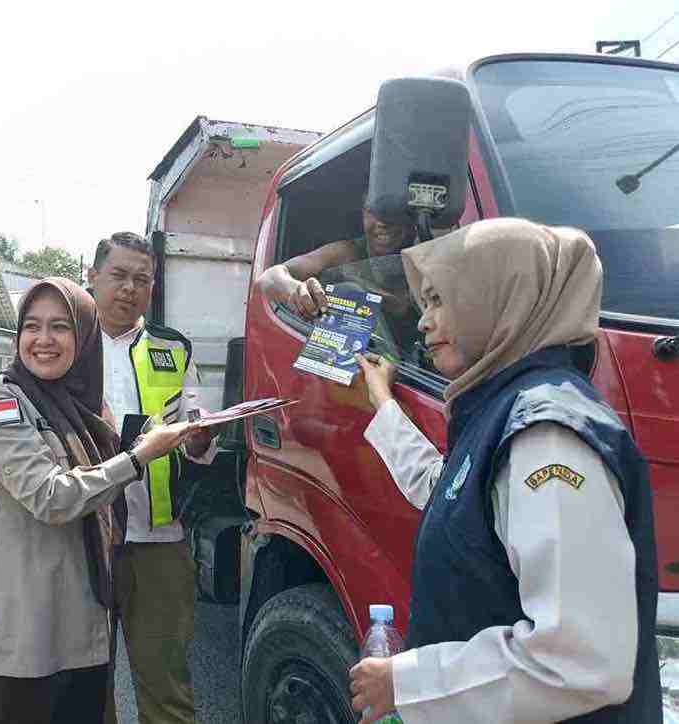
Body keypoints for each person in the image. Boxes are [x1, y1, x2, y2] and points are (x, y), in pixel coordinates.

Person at [348, 219, 661, 723]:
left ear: (501, 297)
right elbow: (447, 490)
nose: (424, 323)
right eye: (424, 304)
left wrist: (405, 682)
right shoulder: (502, 409)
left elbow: (579, 660)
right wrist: (383, 401)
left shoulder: (546, 434)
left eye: (440, 300)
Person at [0, 277, 192, 724]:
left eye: (60, 327)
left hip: (84, 621)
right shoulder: (1, 403)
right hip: (22, 630)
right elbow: (50, 496)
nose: (43, 340)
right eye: (32, 326)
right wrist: (138, 457)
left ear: (84, 337)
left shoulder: (85, 409)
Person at [88, 231, 220, 724]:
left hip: (158, 539)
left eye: (141, 279)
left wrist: (202, 439)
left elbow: (193, 424)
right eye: (118, 276)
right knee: (84, 683)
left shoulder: (172, 348)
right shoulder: (66, 345)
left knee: (165, 685)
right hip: (83, 536)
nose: (129, 288)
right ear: (92, 276)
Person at [256, 194, 416, 318]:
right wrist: (297, 291)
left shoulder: (421, 256)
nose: (382, 222)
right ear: (363, 214)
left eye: (391, 213)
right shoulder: (346, 252)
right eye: (373, 211)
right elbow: (268, 278)